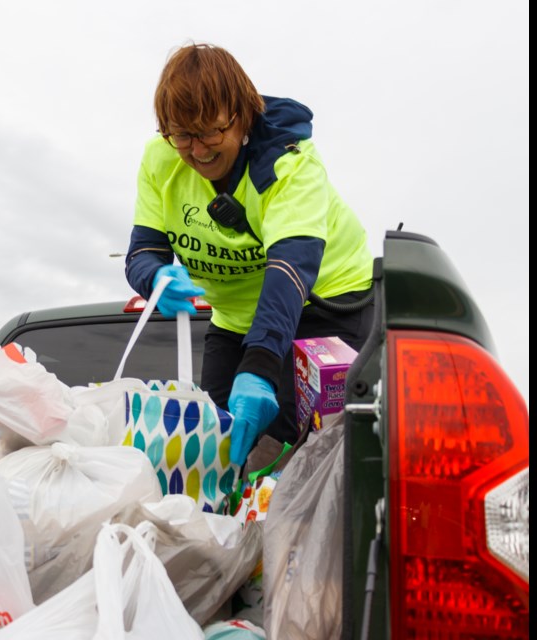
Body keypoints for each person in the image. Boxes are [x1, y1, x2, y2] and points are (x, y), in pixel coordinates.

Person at [124, 42, 375, 471]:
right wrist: (156, 278)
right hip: (235, 319)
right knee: (214, 451)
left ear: (242, 117)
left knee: (300, 461)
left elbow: (288, 271)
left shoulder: (290, 164)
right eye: (181, 134)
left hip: (325, 306)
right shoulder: (161, 158)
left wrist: (260, 366)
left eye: (210, 132)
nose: (197, 151)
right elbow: (143, 251)